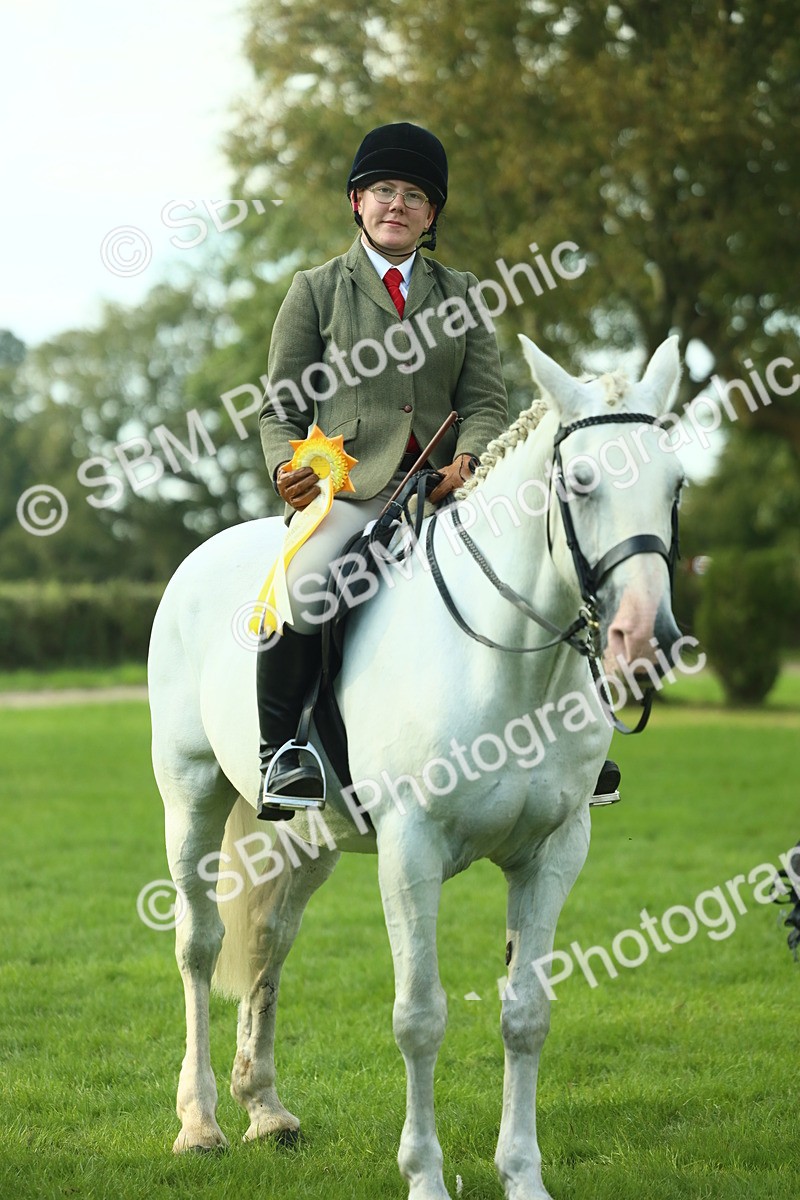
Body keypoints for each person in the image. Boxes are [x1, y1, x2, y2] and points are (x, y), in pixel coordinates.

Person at [256, 121, 620, 820]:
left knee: (568, 563)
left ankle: (579, 741)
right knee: (304, 586)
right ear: (357, 202)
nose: (398, 204)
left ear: (432, 215)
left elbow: (485, 400)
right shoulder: (316, 290)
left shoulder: (463, 293)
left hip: (452, 492)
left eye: (415, 195)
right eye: (384, 190)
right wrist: (284, 468)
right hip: (355, 490)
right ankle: (284, 754)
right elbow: (281, 406)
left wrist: (471, 459)